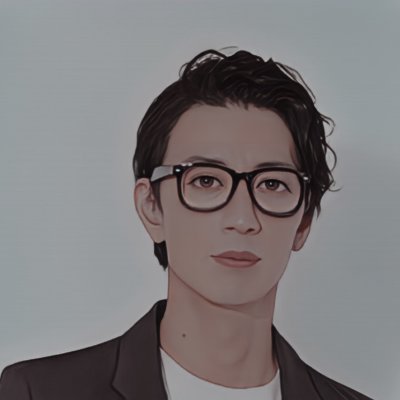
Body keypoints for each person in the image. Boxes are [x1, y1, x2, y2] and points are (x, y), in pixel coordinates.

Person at [0, 49, 373, 399]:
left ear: (303, 221)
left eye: (272, 184)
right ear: (152, 207)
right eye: (206, 180)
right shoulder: (39, 391)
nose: (242, 219)